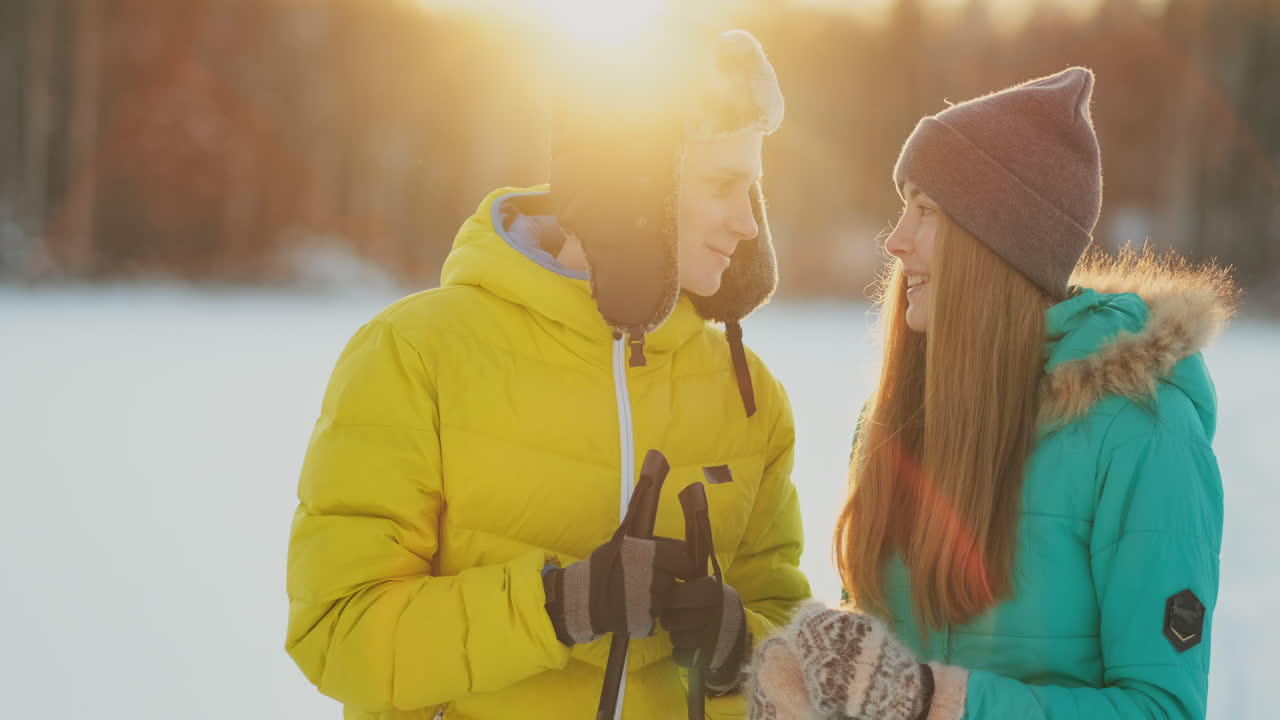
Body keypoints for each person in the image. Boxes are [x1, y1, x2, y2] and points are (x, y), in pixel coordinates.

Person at [285, 27, 811, 720]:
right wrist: (558, 606)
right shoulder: (417, 354)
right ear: (634, 185)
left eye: (754, 190)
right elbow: (338, 634)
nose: (747, 223)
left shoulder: (750, 397)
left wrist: (741, 649)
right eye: (722, 185)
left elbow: (788, 639)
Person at [748, 67, 1235, 720]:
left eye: (926, 211)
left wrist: (944, 701)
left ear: (999, 242)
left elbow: (1162, 709)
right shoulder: (896, 418)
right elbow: (878, 672)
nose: (895, 240)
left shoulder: (1142, 435)